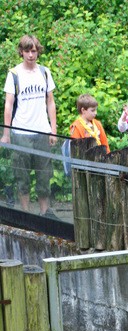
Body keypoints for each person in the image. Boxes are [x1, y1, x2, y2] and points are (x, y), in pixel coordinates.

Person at [1, 34, 57, 216]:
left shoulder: (45, 72)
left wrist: (53, 130)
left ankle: (44, 213)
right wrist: (6, 133)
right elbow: (8, 104)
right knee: (22, 175)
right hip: (21, 131)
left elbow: (50, 102)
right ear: (22, 52)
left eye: (33, 51)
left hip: (42, 130)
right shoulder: (14, 74)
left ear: (37, 51)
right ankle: (25, 213)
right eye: (27, 51)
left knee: (44, 175)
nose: (31, 55)